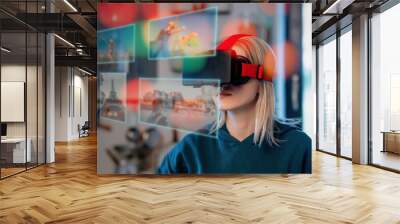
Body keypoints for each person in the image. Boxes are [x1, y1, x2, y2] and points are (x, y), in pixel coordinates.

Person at [158, 35, 311, 174]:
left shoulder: (298, 147)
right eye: (218, 70)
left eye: (233, 70)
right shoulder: (191, 149)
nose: (223, 84)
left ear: (262, 81)